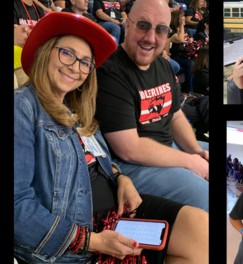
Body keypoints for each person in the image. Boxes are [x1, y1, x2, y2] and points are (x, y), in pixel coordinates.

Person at [14, 12, 208, 264]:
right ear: (45, 51)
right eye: (67, 53)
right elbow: (17, 207)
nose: (76, 67)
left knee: (202, 230)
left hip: (116, 212)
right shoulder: (22, 107)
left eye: (86, 62)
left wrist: (121, 177)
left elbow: (99, 158)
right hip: (77, 233)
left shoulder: (76, 107)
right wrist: (91, 241)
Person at [94, 0, 209, 213]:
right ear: (127, 26)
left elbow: (175, 116)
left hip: (168, 149)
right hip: (133, 166)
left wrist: (195, 151)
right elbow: (128, 149)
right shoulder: (110, 72)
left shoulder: (162, 65)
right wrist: (189, 162)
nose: (150, 38)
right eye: (143, 25)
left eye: (161, 30)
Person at [169, 9, 195, 93]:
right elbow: (180, 40)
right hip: (176, 55)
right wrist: (181, 26)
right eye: (182, 17)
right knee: (190, 63)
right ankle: (187, 89)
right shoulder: (170, 30)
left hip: (186, 55)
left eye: (184, 16)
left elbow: (191, 42)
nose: (184, 18)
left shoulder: (187, 30)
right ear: (176, 19)